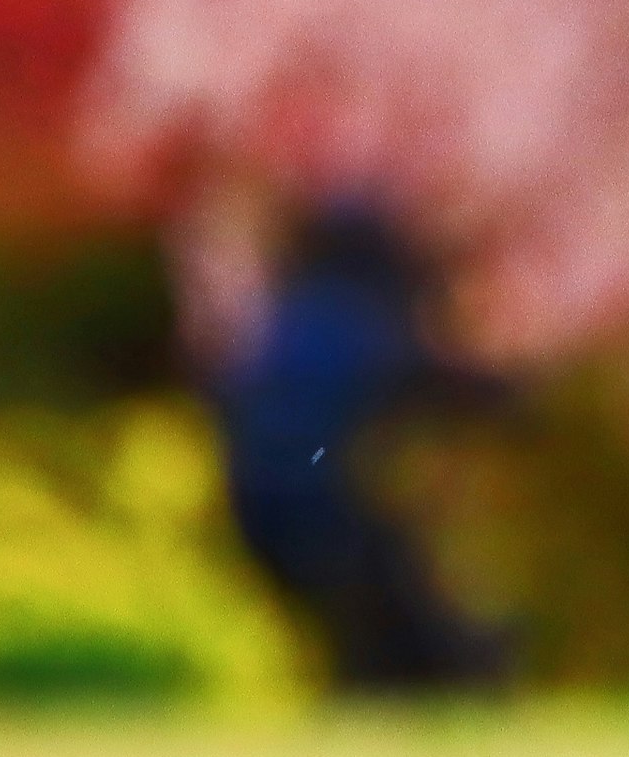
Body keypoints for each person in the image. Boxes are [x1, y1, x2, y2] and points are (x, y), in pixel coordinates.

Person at [210, 198, 510, 696]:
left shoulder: (286, 319)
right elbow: (430, 380)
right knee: (392, 606)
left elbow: (228, 392)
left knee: (370, 600)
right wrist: (511, 394)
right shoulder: (358, 317)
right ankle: (450, 675)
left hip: (251, 498)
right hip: (319, 502)